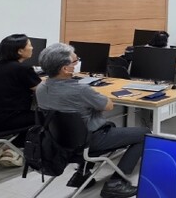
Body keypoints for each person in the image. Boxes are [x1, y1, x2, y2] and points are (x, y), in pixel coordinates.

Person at [36, 43, 148, 198]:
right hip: (89, 141)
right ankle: (117, 182)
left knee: (102, 125)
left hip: (58, 144)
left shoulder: (41, 88)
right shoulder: (81, 90)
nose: (78, 63)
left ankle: (82, 174)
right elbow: (108, 105)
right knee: (144, 133)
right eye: (75, 61)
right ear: (65, 68)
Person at [0, 34, 41, 167]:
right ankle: (13, 148)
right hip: (8, 120)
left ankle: (4, 147)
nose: (32, 48)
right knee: (45, 116)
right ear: (20, 51)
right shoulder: (22, 69)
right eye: (29, 45)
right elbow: (42, 90)